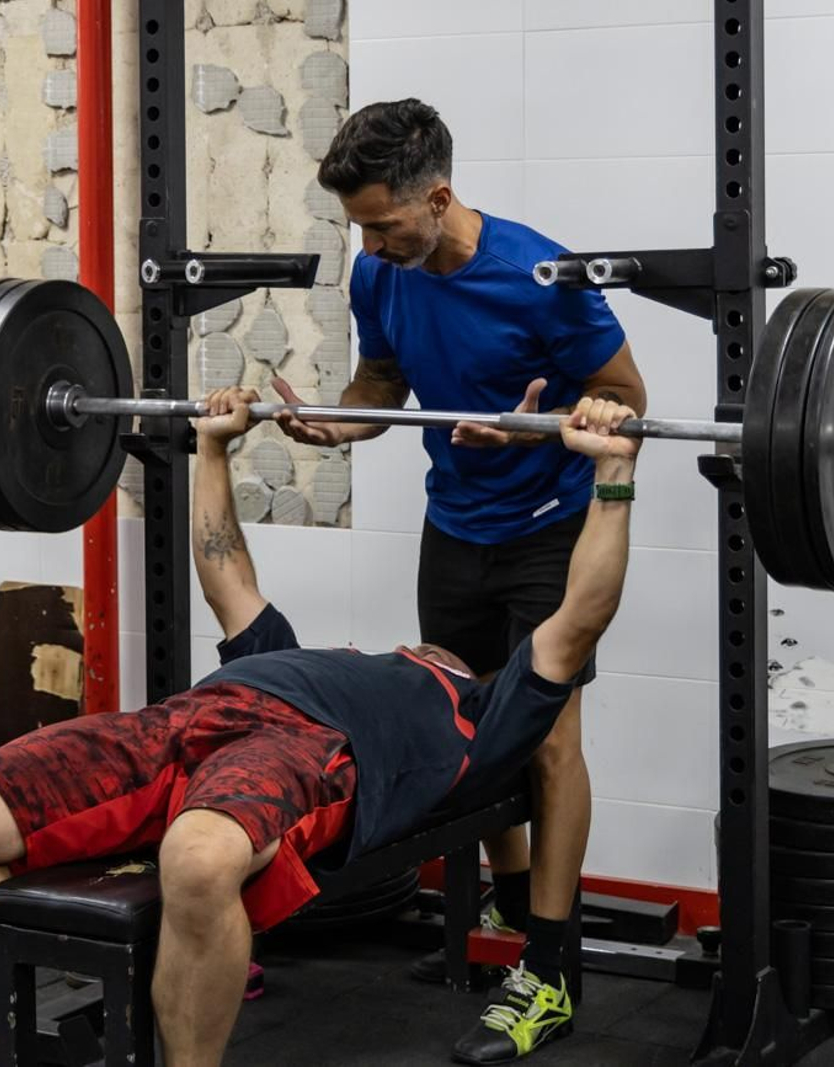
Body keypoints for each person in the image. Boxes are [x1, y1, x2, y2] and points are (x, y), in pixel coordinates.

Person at [0, 386, 641, 1067]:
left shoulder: (480, 712)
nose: (426, 644)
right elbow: (225, 571)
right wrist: (214, 446)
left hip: (305, 749)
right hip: (183, 718)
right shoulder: (289, 653)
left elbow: (579, 618)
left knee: (198, 858)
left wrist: (612, 476)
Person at [276, 97, 647, 1063]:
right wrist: (333, 423)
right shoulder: (379, 273)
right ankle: (519, 913)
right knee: (471, 735)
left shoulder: (538, 275)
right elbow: (382, 382)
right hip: (456, 529)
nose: (370, 241)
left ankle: (553, 970)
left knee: (550, 742)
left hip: (548, 532)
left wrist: (537, 422)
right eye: (359, 224)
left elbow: (627, 400)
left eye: (384, 223)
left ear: (437, 197)